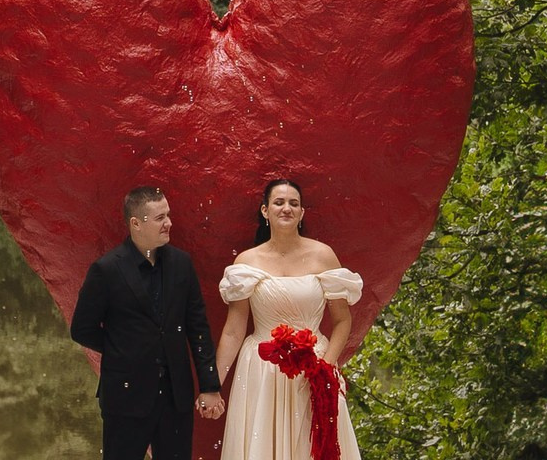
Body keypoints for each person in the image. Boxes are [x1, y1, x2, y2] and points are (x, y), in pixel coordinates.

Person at [70, 183, 226, 460]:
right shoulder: (106, 269)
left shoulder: (182, 264)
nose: (168, 223)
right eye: (159, 218)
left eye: (167, 215)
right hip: (125, 398)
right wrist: (125, 349)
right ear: (135, 223)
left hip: (175, 398)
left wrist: (210, 386)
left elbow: (198, 328)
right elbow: (82, 329)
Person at [215, 176, 363, 460]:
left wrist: (326, 367)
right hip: (261, 368)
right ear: (265, 210)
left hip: (314, 366)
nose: (286, 208)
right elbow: (234, 330)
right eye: (279, 202)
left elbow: (342, 320)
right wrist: (213, 384)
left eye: (294, 203)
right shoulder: (246, 263)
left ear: (302, 212)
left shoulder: (323, 256)